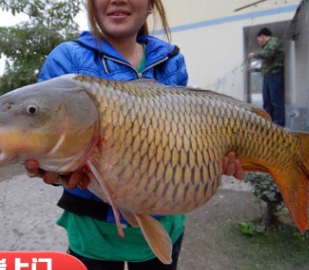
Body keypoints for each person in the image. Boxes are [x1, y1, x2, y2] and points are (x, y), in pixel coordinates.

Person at [24, 0, 244, 269]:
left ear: (151, 5)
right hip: (94, 234)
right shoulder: (65, 60)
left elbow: (186, 143)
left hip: (164, 221)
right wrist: (56, 172)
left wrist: (211, 157)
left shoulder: (172, 61)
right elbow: (47, 141)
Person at [248, 27, 285, 127]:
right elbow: (267, 66)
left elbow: (268, 55)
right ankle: (269, 124)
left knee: (276, 102)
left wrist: (254, 55)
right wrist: (255, 70)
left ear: (263, 36)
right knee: (267, 102)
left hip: (275, 76)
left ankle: (278, 125)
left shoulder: (274, 42)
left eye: (258, 39)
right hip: (268, 76)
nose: (259, 42)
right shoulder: (267, 46)